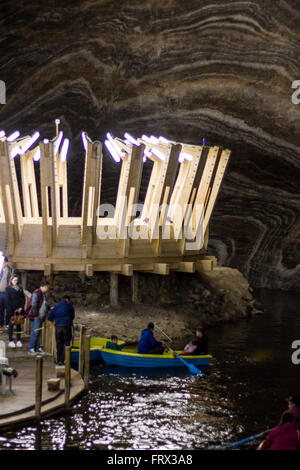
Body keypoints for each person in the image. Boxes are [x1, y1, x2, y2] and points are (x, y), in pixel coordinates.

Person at [47, 296, 75, 365]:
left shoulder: (56, 307)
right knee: (67, 343)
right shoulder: (70, 306)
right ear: (67, 300)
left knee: (59, 343)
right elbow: (72, 316)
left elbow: (49, 317)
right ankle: (64, 360)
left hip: (58, 327)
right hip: (67, 326)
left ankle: (59, 360)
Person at [26, 281, 50, 355]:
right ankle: (31, 348)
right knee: (35, 332)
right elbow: (34, 304)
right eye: (46, 287)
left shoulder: (42, 294)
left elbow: (44, 304)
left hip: (40, 316)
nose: (47, 289)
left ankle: (37, 348)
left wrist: (49, 308)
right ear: (43, 286)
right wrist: (35, 315)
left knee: (38, 333)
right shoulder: (37, 293)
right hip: (36, 316)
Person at [5, 274, 25, 348]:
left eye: (16, 280)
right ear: (11, 280)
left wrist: (21, 307)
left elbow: (23, 299)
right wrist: (14, 309)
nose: (15, 282)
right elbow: (8, 300)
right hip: (11, 310)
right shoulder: (8, 289)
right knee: (11, 325)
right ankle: (10, 340)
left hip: (19, 310)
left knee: (19, 325)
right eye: (14, 280)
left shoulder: (20, 288)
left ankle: (18, 340)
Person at [0, 257, 15, 330]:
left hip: (7, 293)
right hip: (0, 293)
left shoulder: (10, 271)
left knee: (8, 309)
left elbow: (13, 276)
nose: (3, 264)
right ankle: (1, 323)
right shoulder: (1, 271)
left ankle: (7, 324)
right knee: (0, 309)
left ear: (6, 263)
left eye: (3, 262)